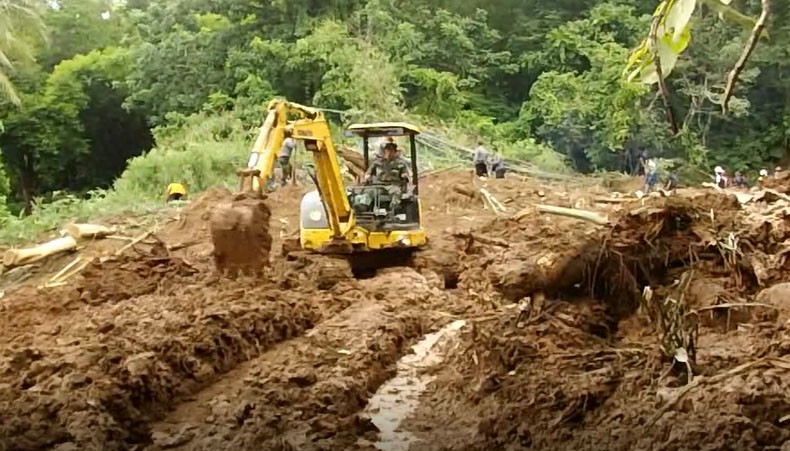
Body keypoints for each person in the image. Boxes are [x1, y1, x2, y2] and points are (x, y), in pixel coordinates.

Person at [364, 142, 410, 215]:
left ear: (395, 152)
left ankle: (392, 212)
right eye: (387, 150)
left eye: (391, 151)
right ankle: (364, 211)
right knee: (368, 193)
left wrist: (404, 175)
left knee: (396, 193)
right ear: (384, 152)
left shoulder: (400, 163)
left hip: (393, 185)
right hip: (379, 185)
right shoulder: (377, 163)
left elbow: (405, 173)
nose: (389, 153)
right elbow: (368, 172)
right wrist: (367, 176)